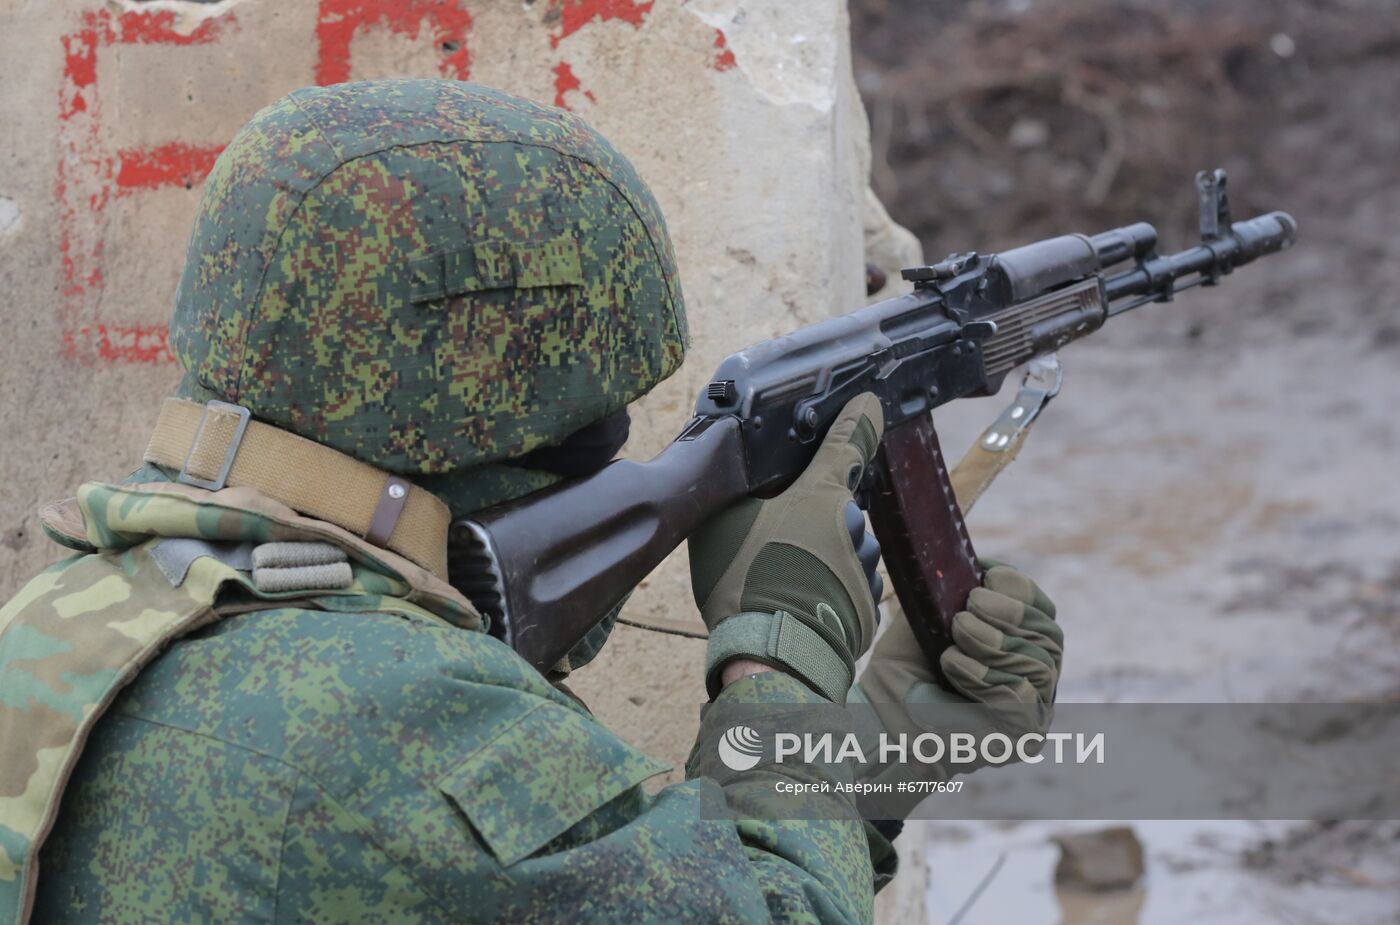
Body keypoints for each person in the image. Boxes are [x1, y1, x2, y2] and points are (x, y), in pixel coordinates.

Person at [0, 79, 1061, 924]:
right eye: (597, 424)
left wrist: (870, 755)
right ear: (495, 420)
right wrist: (780, 650)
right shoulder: (409, 721)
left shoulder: (72, 614)